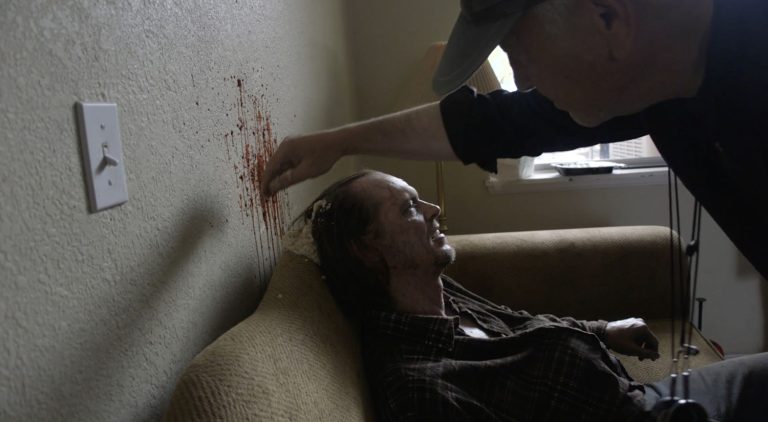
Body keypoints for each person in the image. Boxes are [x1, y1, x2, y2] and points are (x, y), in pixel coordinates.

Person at [262, 0, 768, 280]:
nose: (521, 79)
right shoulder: (650, 85)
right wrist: (341, 141)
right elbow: (493, 123)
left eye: (516, 51)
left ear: (609, 20)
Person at [293, 169, 768, 422]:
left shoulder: (436, 293)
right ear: (368, 247)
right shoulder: (419, 388)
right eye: (410, 208)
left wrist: (601, 329)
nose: (436, 210)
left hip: (641, 396)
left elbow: (516, 319)